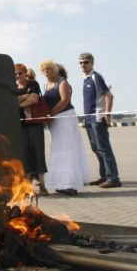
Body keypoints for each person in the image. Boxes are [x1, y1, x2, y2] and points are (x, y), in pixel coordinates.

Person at [39, 59, 89, 195]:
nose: (46, 72)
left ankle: (71, 184)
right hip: (54, 121)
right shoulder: (45, 85)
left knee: (68, 149)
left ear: (54, 69)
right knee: (58, 150)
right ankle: (61, 183)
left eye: (48, 69)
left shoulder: (62, 82)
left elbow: (65, 99)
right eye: (43, 70)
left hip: (65, 117)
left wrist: (51, 113)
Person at [79, 52, 121, 189]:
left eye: (86, 62)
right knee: (96, 148)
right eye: (80, 62)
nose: (83, 65)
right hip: (88, 119)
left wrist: (107, 115)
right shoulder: (85, 79)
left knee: (104, 149)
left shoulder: (96, 77)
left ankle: (113, 178)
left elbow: (109, 95)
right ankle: (104, 175)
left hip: (97, 118)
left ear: (92, 63)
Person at [15, 63, 47, 195]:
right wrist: (24, 97)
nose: (18, 76)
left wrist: (18, 103)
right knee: (25, 155)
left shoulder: (33, 84)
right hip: (21, 126)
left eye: (20, 73)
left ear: (25, 72)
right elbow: (12, 101)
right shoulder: (14, 87)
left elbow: (34, 99)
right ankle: (28, 188)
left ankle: (43, 186)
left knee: (39, 153)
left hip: (35, 124)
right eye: (15, 74)